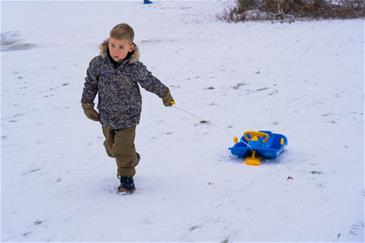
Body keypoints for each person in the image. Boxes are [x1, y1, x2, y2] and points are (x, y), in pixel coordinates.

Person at [81, 23, 174, 193]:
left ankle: (126, 179)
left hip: (129, 115)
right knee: (112, 150)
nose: (115, 50)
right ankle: (132, 158)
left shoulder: (134, 67)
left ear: (130, 47)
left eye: (121, 47)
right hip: (106, 115)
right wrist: (87, 104)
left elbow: (149, 81)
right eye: (112, 45)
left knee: (122, 149)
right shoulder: (98, 64)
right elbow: (90, 84)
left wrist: (164, 94)